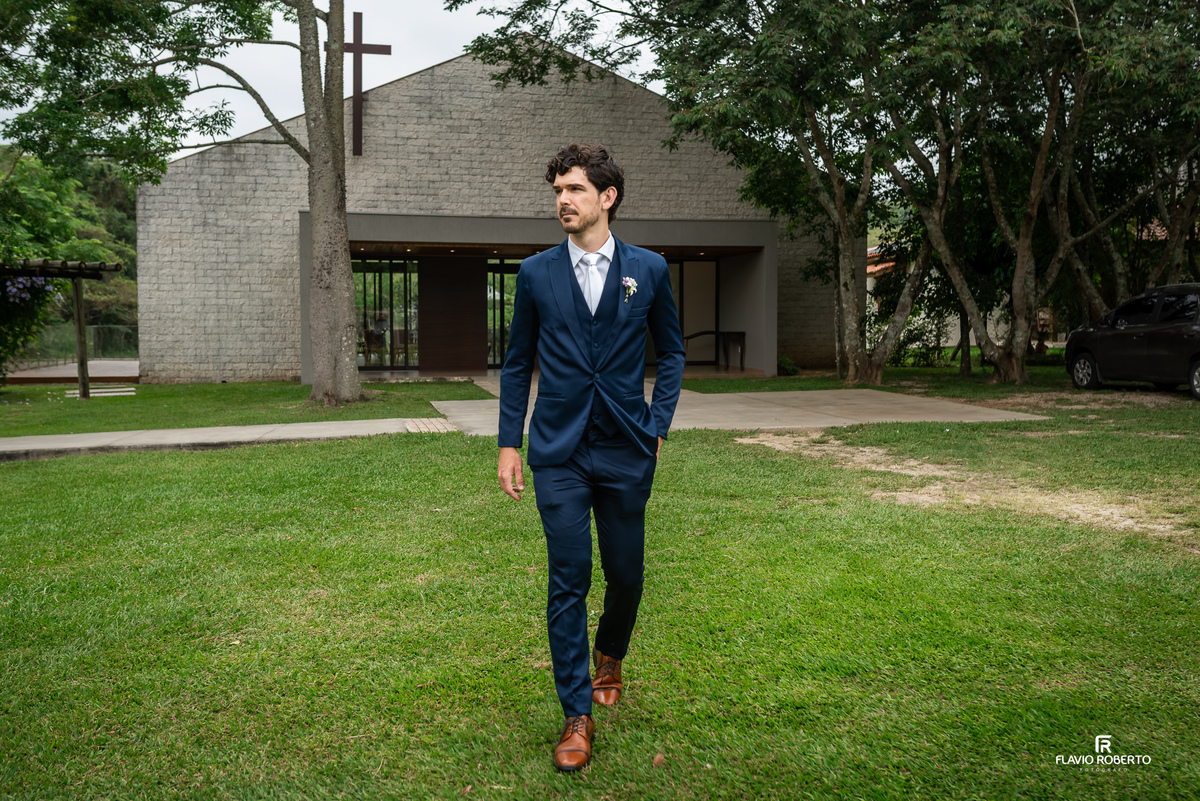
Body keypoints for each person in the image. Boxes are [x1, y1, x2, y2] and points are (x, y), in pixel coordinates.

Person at [497, 143, 685, 771]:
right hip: (559, 450)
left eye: (574, 189)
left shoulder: (650, 270)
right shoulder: (536, 274)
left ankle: (613, 654)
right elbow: (519, 363)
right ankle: (576, 712)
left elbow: (673, 352)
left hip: (628, 447)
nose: (562, 201)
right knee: (569, 576)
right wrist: (508, 443)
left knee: (626, 575)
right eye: (556, 190)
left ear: (607, 198)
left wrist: (657, 423)